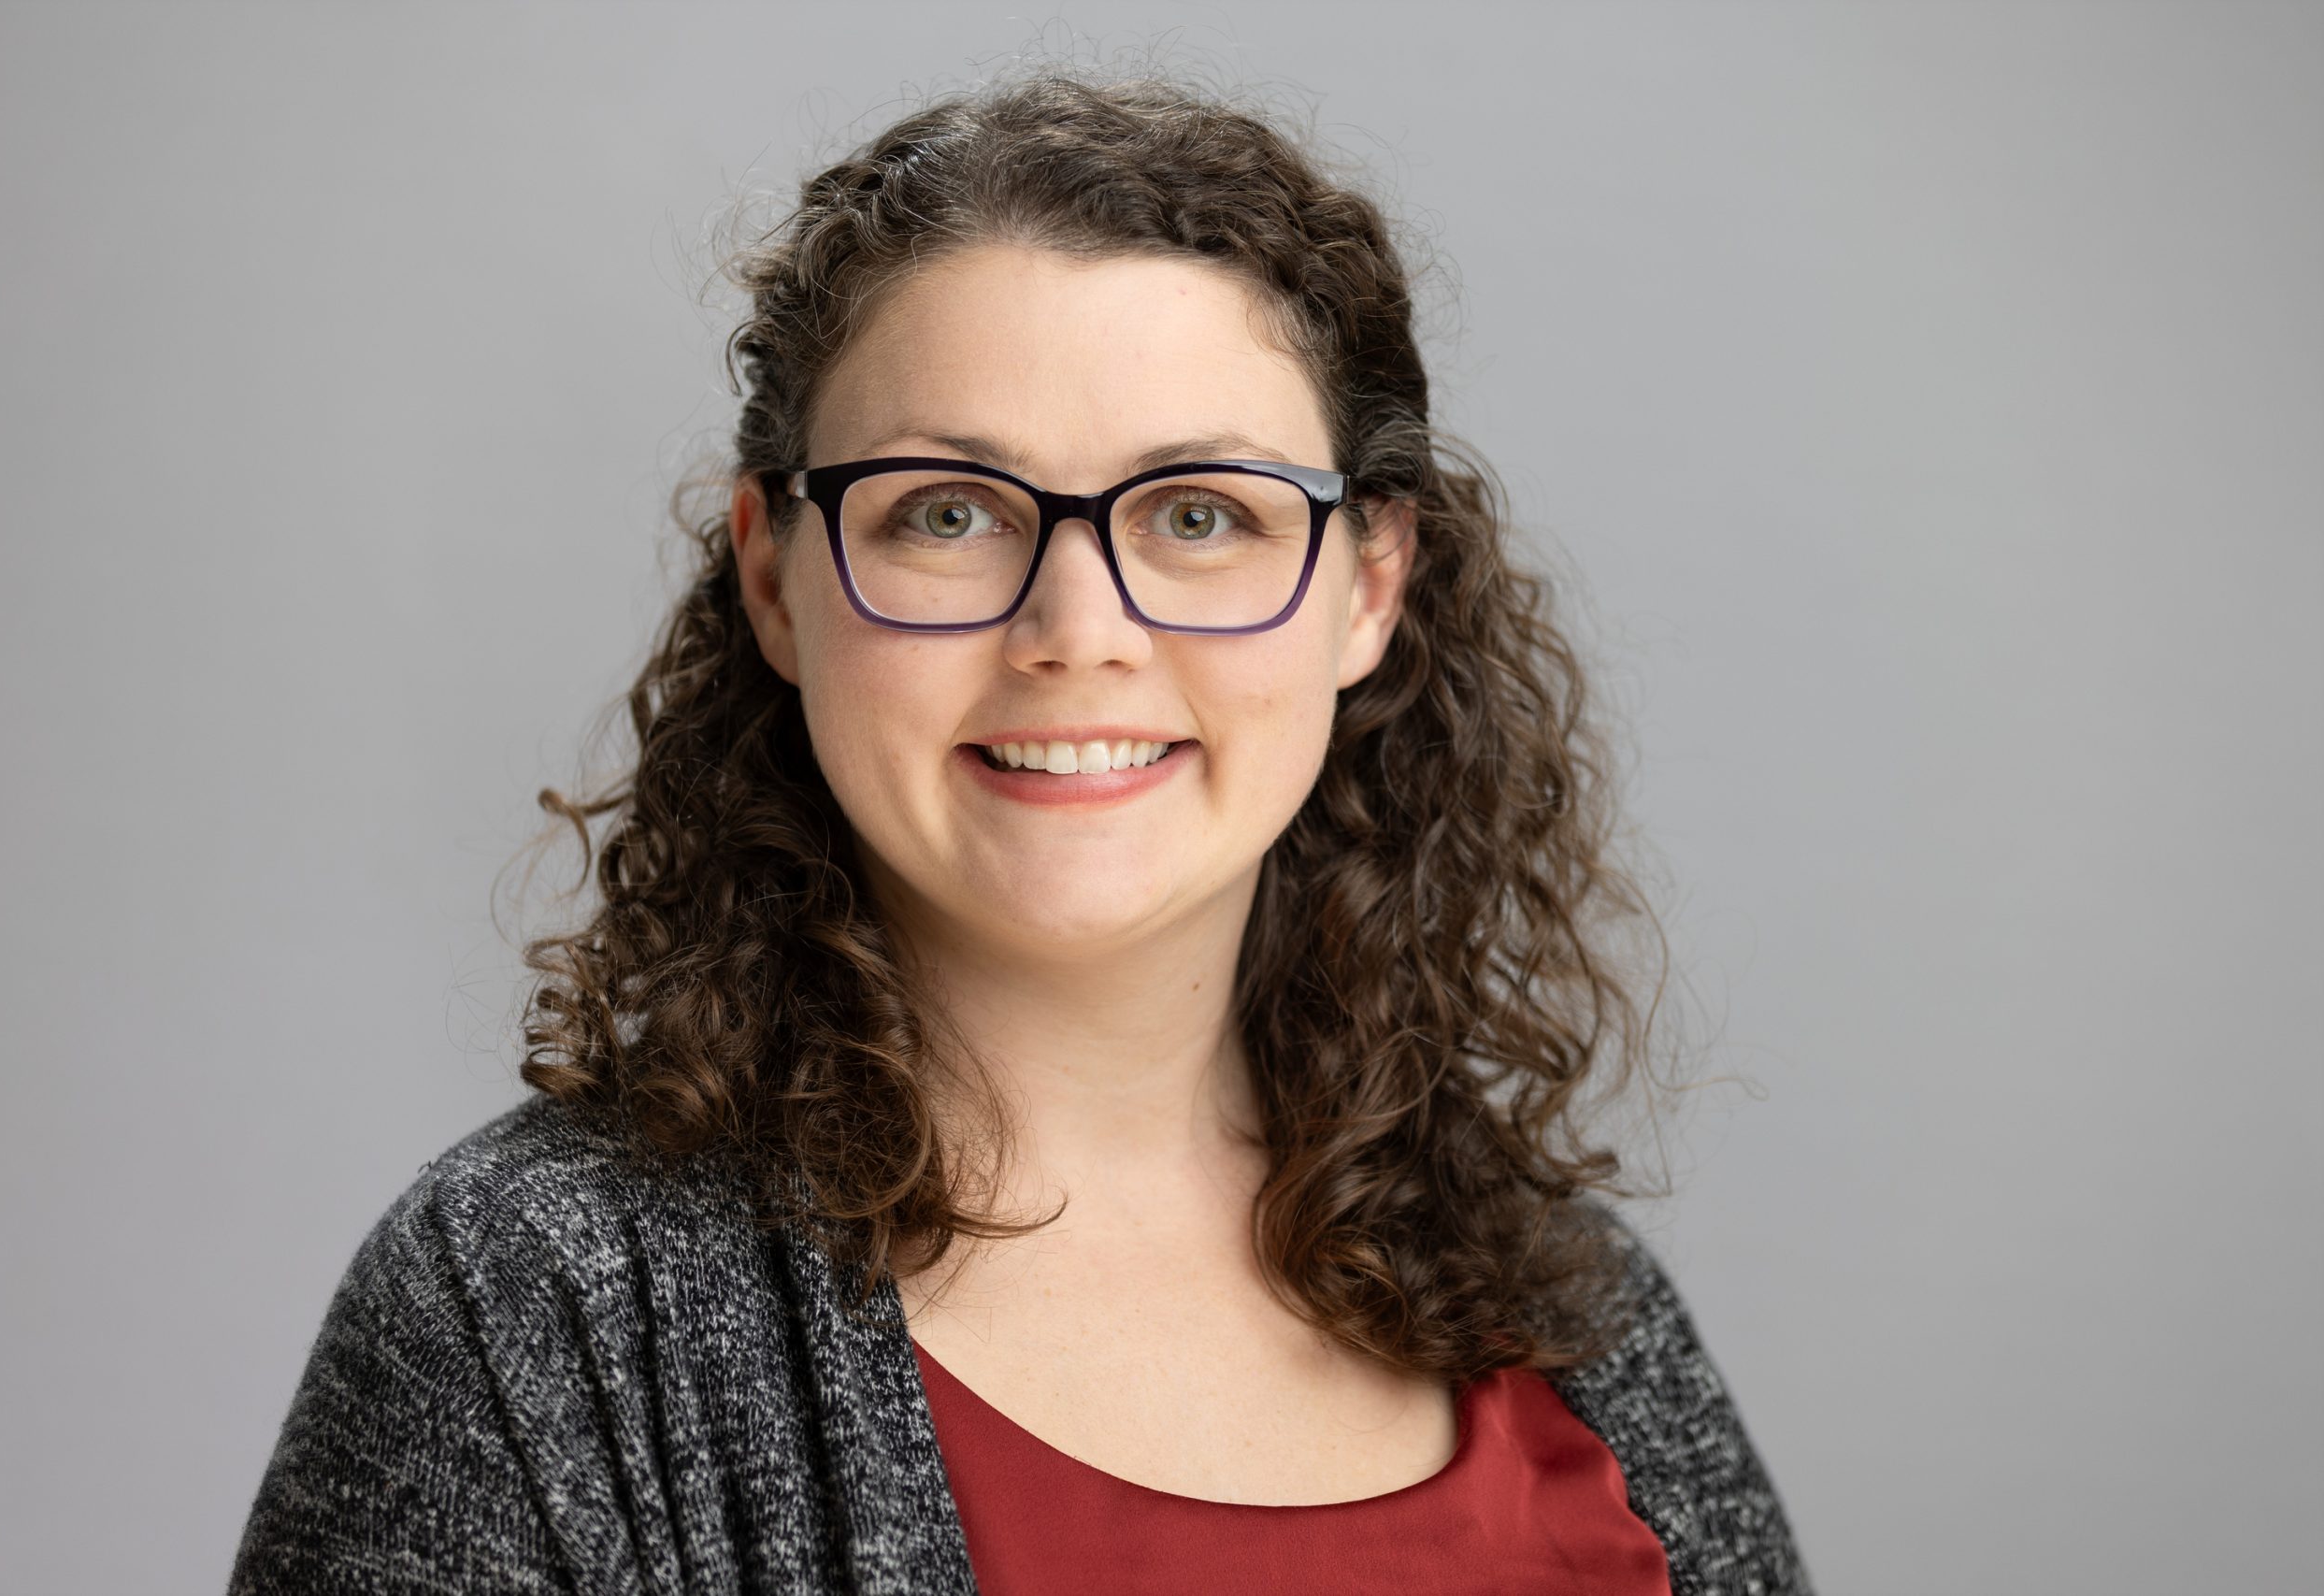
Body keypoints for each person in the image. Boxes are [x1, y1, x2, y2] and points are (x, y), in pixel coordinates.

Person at [228, 65, 1813, 1595]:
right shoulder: (532, 1310)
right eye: (947, 513)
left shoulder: (1585, 1316)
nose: (1077, 630)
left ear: (1370, 586)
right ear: (774, 578)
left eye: (1200, 515)